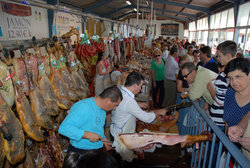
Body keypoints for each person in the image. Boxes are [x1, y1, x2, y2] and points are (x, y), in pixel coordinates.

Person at [59, 86, 122, 154]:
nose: (115, 108)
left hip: (95, 150)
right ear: (107, 101)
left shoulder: (103, 109)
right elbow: (64, 129)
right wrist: (86, 135)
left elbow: (96, 128)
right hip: (80, 152)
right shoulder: (83, 107)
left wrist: (103, 140)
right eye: (115, 105)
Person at [110, 71, 167, 139]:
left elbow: (124, 105)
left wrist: (137, 105)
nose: (140, 90)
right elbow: (147, 118)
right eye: (140, 86)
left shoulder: (120, 90)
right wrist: (159, 112)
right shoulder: (129, 101)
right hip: (121, 135)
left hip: (114, 129)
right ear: (134, 85)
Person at [207, 40, 237, 129]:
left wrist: (209, 87)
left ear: (228, 56)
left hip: (219, 120)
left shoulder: (224, 75)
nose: (218, 59)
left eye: (219, 56)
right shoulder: (237, 73)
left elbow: (220, 101)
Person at [223, 58, 250, 128]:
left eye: (238, 77)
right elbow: (227, 122)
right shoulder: (230, 92)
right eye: (230, 78)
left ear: (249, 75)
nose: (234, 82)